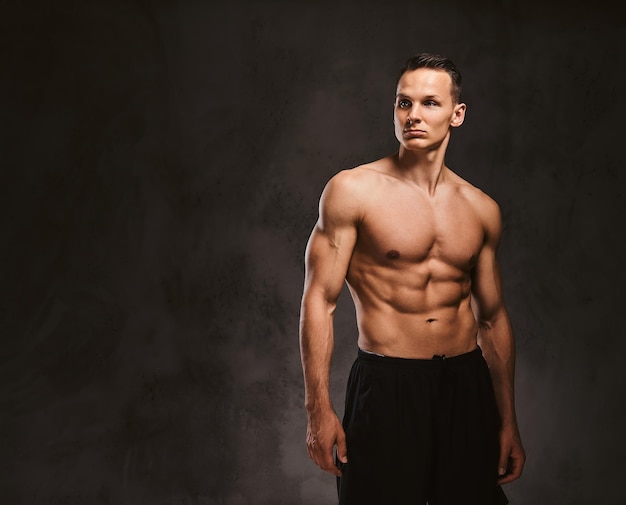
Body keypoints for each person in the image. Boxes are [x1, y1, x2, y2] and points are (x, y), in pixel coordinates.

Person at [298, 53, 526, 504]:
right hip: (387, 387)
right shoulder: (352, 191)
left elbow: (492, 319)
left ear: (457, 114)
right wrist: (317, 409)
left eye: (429, 103)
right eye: (404, 103)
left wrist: (507, 421)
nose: (414, 115)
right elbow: (319, 301)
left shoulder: (481, 209)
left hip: (465, 387)